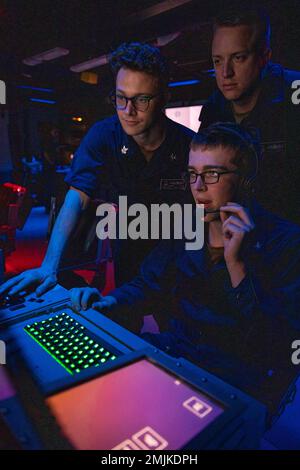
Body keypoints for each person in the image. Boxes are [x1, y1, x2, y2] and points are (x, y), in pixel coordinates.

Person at [70, 122, 300, 418]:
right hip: (179, 356)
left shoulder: (287, 242)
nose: (198, 187)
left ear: (245, 180)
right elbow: (146, 284)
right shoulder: (186, 227)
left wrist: (236, 265)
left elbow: (274, 343)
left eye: (212, 174)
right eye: (192, 174)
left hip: (238, 379)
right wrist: (107, 301)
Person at [0, 42, 194, 298]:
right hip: (129, 247)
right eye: (121, 98)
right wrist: (49, 266)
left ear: (164, 98)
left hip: (179, 250)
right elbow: (76, 197)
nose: (128, 111)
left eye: (142, 100)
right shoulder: (103, 135)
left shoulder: (190, 145)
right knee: (126, 323)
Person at [200, 7, 300, 223]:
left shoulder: (294, 95)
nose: (226, 73)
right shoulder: (213, 110)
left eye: (238, 58)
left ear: (264, 56)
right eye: (218, 61)